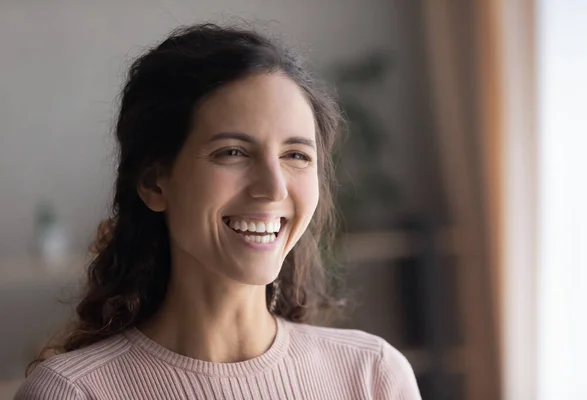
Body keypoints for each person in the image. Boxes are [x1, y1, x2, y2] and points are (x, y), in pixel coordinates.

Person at [15, 23, 421, 400]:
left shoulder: (371, 375)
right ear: (155, 183)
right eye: (233, 152)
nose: (274, 187)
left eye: (296, 155)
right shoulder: (74, 392)